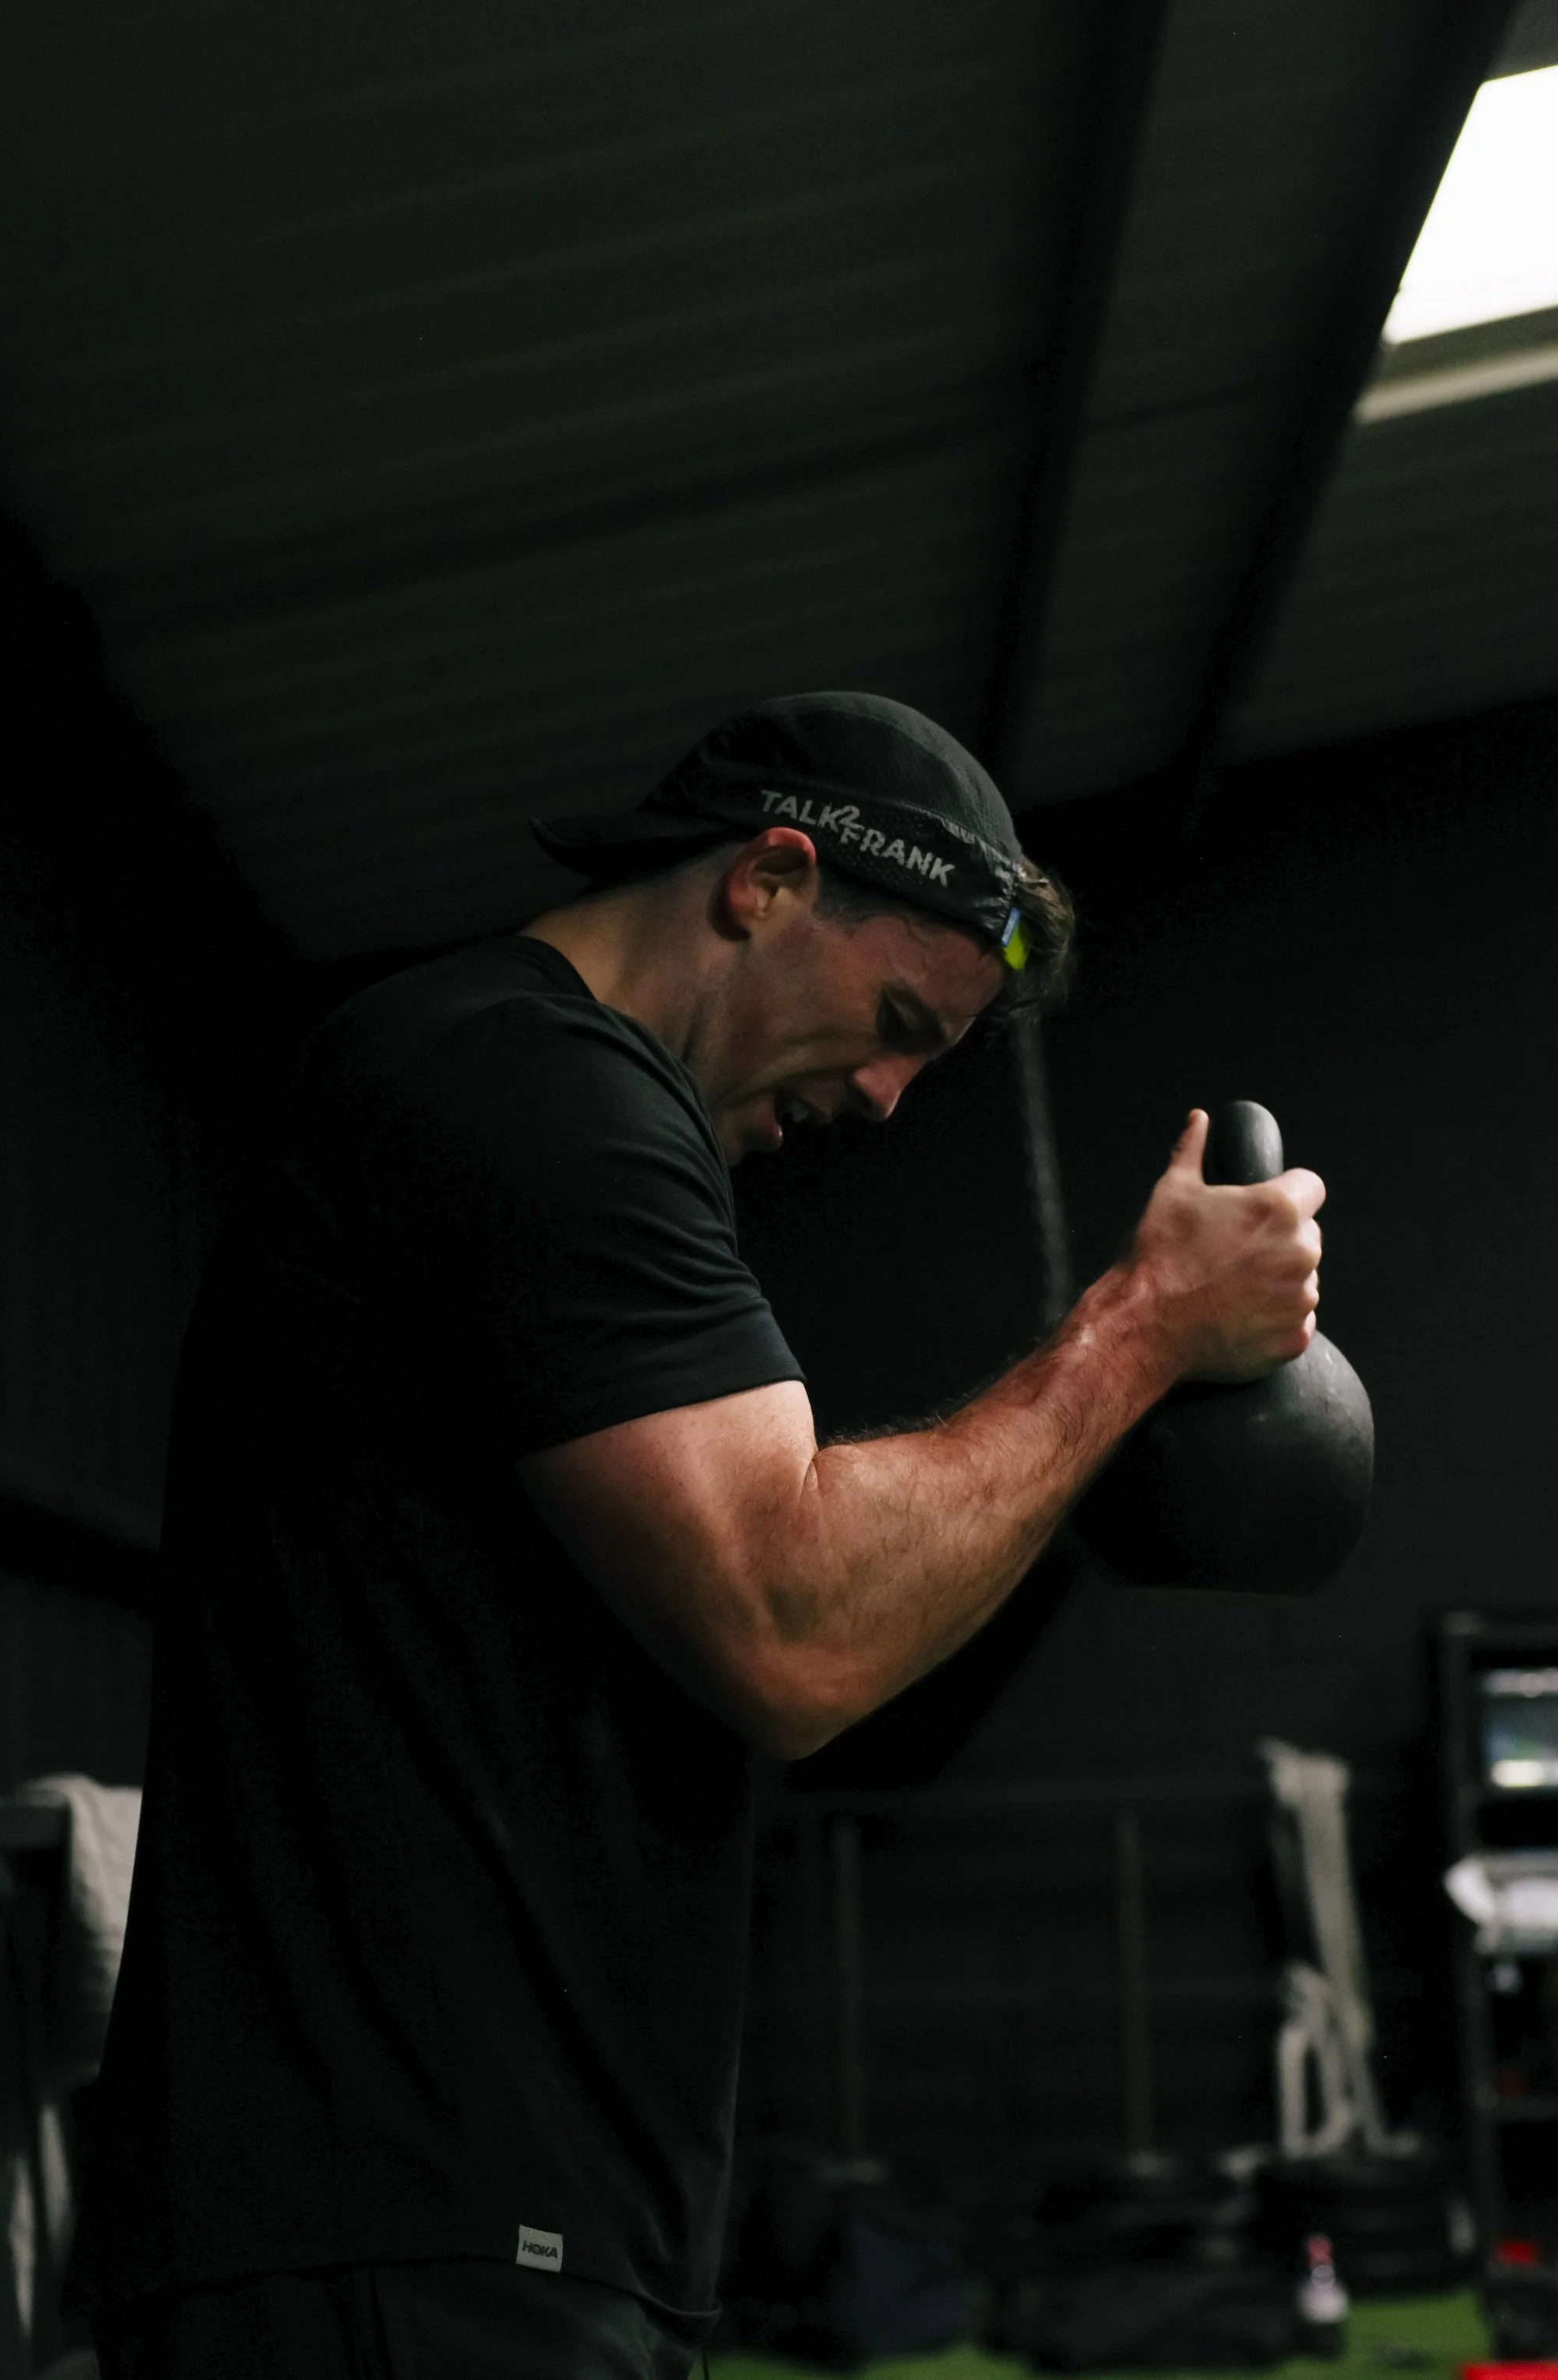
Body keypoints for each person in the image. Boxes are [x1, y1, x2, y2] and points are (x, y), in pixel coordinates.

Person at [75, 692, 1324, 2380]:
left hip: (484, 2223)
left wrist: (1083, 1444)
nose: (885, 1098)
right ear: (768, 880)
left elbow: (825, 1679)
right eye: (893, 1020)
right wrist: (1137, 1328)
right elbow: (793, 1624)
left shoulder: (526, 1102)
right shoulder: (530, 1090)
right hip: (400, 2226)